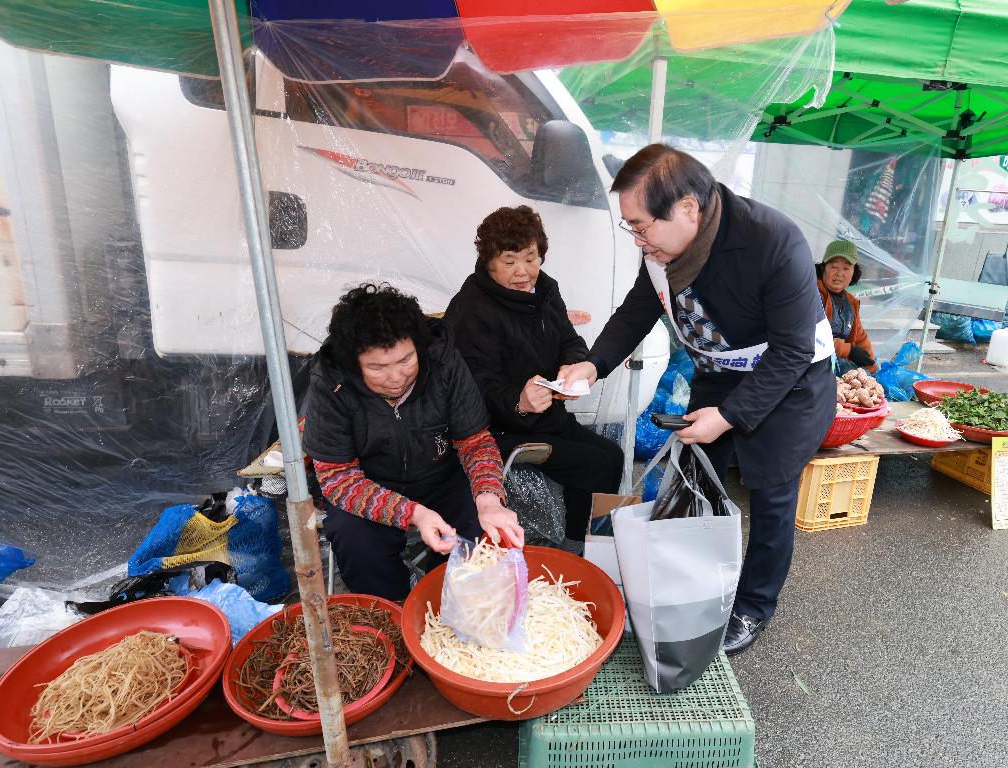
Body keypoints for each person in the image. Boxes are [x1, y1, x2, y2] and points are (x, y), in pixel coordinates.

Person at [559, 144, 836, 656]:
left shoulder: (772, 240)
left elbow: (794, 349)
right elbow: (638, 308)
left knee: (771, 491)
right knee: (696, 472)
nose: (637, 238)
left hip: (790, 378)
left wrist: (729, 416)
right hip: (720, 370)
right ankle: (692, 583)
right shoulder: (661, 248)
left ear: (688, 208)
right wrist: (594, 365)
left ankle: (753, 605)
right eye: (630, 226)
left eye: (641, 225)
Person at [301, 283, 524, 601]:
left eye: (406, 360)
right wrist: (413, 513)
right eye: (377, 367)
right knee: (353, 538)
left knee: (481, 532)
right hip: (372, 484)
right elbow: (338, 478)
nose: (395, 377)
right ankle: (394, 609)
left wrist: (489, 499)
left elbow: (475, 442)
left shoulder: (444, 363)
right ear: (353, 363)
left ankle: (449, 603)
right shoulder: (332, 383)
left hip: (442, 477)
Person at [446, 206, 624, 554]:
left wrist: (572, 367)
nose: (523, 271)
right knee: (594, 464)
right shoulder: (472, 309)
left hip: (548, 416)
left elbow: (570, 340)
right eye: (509, 261)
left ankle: (593, 547)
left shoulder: (544, 289)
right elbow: (474, 389)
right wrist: (519, 402)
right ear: (489, 262)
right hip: (500, 430)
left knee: (612, 455)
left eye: (530, 258)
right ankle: (577, 551)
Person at [816, 239, 877, 373]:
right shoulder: (811, 294)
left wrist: (873, 369)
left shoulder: (850, 302)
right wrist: (847, 350)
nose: (839, 273)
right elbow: (806, 334)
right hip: (810, 367)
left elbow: (860, 338)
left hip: (836, 368)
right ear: (823, 268)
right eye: (834, 266)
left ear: (853, 272)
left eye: (846, 268)